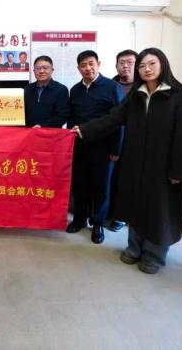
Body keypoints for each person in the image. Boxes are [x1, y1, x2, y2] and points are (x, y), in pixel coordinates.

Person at [73, 48, 182, 274]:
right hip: (136, 161)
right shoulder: (136, 95)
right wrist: (84, 130)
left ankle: (154, 255)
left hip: (164, 165)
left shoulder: (180, 95)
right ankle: (134, 247)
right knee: (135, 205)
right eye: (142, 65)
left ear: (163, 64)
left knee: (159, 210)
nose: (146, 69)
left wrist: (179, 171)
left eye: (152, 64)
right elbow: (114, 118)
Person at [67, 51, 122, 245]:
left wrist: (116, 149)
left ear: (98, 64)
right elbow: (71, 118)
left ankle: (98, 223)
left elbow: (119, 120)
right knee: (80, 184)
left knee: (101, 187)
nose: (88, 68)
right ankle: (80, 219)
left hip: (104, 147)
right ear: (78, 69)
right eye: (83, 65)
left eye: (91, 63)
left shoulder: (112, 87)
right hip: (79, 146)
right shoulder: (75, 90)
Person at [102, 49, 138, 232]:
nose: (125, 66)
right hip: (112, 141)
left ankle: (123, 216)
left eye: (130, 62)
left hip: (135, 142)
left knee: (129, 180)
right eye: (122, 62)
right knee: (111, 179)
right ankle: (110, 212)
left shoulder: (143, 87)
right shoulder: (109, 86)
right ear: (116, 65)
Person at [24, 55, 69, 128]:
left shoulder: (61, 89)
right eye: (38, 68)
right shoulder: (27, 89)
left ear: (52, 70)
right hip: (30, 131)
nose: (41, 71)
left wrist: (43, 126)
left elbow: (63, 115)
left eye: (45, 68)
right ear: (34, 71)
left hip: (51, 132)